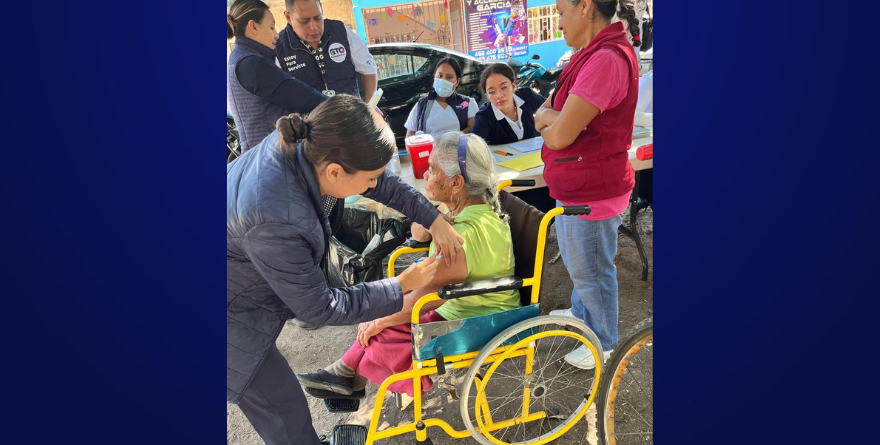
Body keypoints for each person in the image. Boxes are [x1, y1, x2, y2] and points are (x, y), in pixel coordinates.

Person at [227, 94, 465, 445]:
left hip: (239, 286)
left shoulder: (310, 147)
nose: (373, 185)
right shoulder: (275, 218)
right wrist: (400, 285)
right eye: (369, 178)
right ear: (335, 172)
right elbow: (320, 307)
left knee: (281, 402)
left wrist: (433, 218)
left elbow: (381, 181)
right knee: (281, 407)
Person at [295, 132, 519, 398]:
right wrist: (431, 222)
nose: (425, 174)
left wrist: (378, 321)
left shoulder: (462, 236)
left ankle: (348, 376)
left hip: (478, 318)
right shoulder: (467, 210)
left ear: (456, 183)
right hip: (459, 305)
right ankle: (345, 374)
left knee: (380, 331)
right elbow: (417, 232)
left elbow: (425, 299)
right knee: (381, 311)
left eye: (432, 169)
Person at [534, 0, 642, 370]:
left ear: (584, 6)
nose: (558, 22)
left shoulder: (606, 60)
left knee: (593, 270)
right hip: (576, 183)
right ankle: (582, 313)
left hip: (593, 189)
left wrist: (549, 119)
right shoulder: (587, 54)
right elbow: (548, 111)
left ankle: (604, 342)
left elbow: (559, 134)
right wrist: (553, 117)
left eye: (560, 12)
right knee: (580, 263)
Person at [227, 0, 328, 153]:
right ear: (253, 26)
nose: (276, 35)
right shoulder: (253, 65)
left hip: (260, 154)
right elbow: (304, 98)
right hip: (271, 156)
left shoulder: (239, 58)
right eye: (271, 27)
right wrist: (346, 109)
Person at [275, 0, 378, 100]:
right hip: (311, 112)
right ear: (288, 17)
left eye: (317, 18)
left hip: (352, 111)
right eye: (304, 21)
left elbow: (368, 68)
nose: (313, 27)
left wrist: (368, 104)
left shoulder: (340, 32)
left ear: (321, 9)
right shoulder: (279, 48)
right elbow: (279, 95)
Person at [405, 58, 478, 142]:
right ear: (434, 77)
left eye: (449, 77)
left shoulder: (468, 103)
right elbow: (409, 138)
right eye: (440, 76)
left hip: (457, 149)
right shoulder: (421, 105)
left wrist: (452, 140)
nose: (443, 81)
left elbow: (473, 129)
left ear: (457, 82)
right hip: (429, 150)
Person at [472, 63, 545, 145]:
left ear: (513, 86)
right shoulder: (484, 117)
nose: (499, 95)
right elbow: (473, 147)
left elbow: (551, 107)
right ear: (487, 95)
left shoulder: (527, 95)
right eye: (492, 92)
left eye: (504, 87)